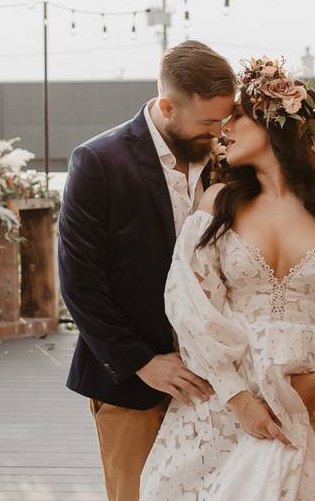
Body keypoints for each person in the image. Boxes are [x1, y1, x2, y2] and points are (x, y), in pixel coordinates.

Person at [141, 56, 315, 500]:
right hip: (223, 404)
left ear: (275, 121)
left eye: (236, 116)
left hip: (306, 397)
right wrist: (240, 399)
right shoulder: (219, 203)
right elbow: (191, 307)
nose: (224, 128)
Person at [58, 40, 238, 501]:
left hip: (219, 386)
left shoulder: (227, 163)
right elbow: (80, 281)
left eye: (224, 120)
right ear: (166, 107)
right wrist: (141, 362)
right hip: (134, 386)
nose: (220, 133)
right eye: (209, 122)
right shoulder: (98, 161)